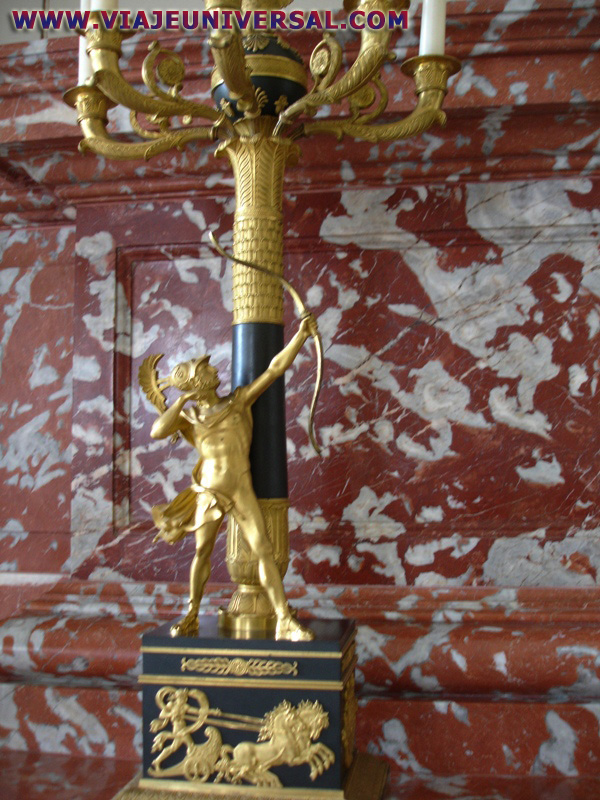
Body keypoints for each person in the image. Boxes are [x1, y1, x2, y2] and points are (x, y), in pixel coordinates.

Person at [148, 313, 318, 641]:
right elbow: (157, 430)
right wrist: (181, 400)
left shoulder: (238, 401)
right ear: (197, 383)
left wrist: (301, 336)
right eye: (205, 370)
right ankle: (191, 615)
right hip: (209, 492)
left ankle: (284, 618)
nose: (213, 370)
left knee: (264, 549)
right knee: (202, 551)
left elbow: (274, 370)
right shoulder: (190, 416)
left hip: (240, 488)